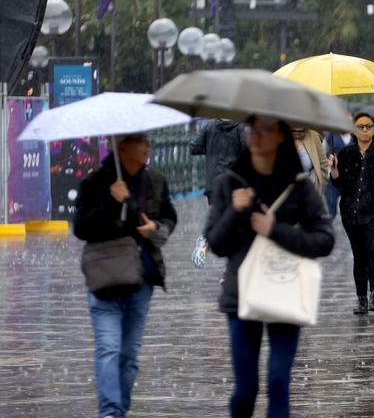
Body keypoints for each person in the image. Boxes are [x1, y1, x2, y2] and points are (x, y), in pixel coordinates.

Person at [204, 115, 334, 417]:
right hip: (242, 294)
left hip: (284, 289)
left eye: (265, 130)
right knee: (245, 389)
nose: (256, 136)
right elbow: (217, 244)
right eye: (252, 129)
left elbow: (324, 240)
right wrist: (236, 212)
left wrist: (274, 229)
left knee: (278, 381)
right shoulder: (229, 182)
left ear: (280, 136)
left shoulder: (299, 187)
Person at [74, 133, 177, 418]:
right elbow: (82, 228)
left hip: (141, 280)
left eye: (148, 141)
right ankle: (110, 412)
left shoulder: (154, 179)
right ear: (122, 147)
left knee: (128, 357)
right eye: (140, 142)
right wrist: (111, 201)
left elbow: (170, 217)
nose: (148, 147)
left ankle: (119, 410)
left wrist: (155, 228)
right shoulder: (95, 182)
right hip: (104, 280)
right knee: (108, 349)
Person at [330, 112, 374, 314]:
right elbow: (339, 185)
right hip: (351, 212)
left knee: (373, 250)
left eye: (368, 126)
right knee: (358, 255)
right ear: (354, 129)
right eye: (360, 126)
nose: (364, 130)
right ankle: (361, 297)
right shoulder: (345, 154)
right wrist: (334, 171)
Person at [190, 119, 246, 264]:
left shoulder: (209, 125)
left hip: (213, 184)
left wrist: (210, 147)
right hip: (233, 185)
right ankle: (228, 270)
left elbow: (194, 147)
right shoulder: (240, 127)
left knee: (216, 220)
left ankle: (205, 242)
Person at [322, 129, 354, 218]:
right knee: (331, 209)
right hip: (332, 177)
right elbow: (321, 154)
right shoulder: (331, 136)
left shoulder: (355, 137)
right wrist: (327, 161)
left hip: (350, 179)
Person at [292, 128, 329, 196]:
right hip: (286, 195)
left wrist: (319, 186)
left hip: (309, 193)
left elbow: (323, 163)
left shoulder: (313, 136)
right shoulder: (279, 136)